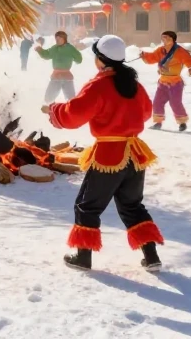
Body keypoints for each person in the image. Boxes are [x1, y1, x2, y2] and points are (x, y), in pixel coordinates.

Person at [44, 34, 163, 272]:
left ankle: (83, 257)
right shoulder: (134, 84)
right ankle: (151, 257)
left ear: (100, 58)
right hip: (135, 153)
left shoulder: (98, 85)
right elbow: (145, 112)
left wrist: (54, 110)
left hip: (109, 155)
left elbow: (73, 114)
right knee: (132, 206)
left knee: (87, 205)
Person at [139, 30, 191, 131]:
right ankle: (158, 122)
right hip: (163, 82)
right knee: (157, 102)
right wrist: (144, 55)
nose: (163, 40)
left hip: (175, 82)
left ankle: (182, 122)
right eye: (162, 37)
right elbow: (153, 57)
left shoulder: (180, 51)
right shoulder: (161, 50)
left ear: (172, 39)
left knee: (175, 103)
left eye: (166, 37)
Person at [35, 31, 82, 103]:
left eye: (59, 38)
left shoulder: (70, 48)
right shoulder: (55, 48)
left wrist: (75, 57)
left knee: (71, 100)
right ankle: (51, 108)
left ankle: (71, 109)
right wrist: (40, 51)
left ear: (64, 39)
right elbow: (47, 54)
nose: (57, 40)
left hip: (67, 77)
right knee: (48, 99)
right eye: (56, 38)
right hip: (56, 77)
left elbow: (79, 59)